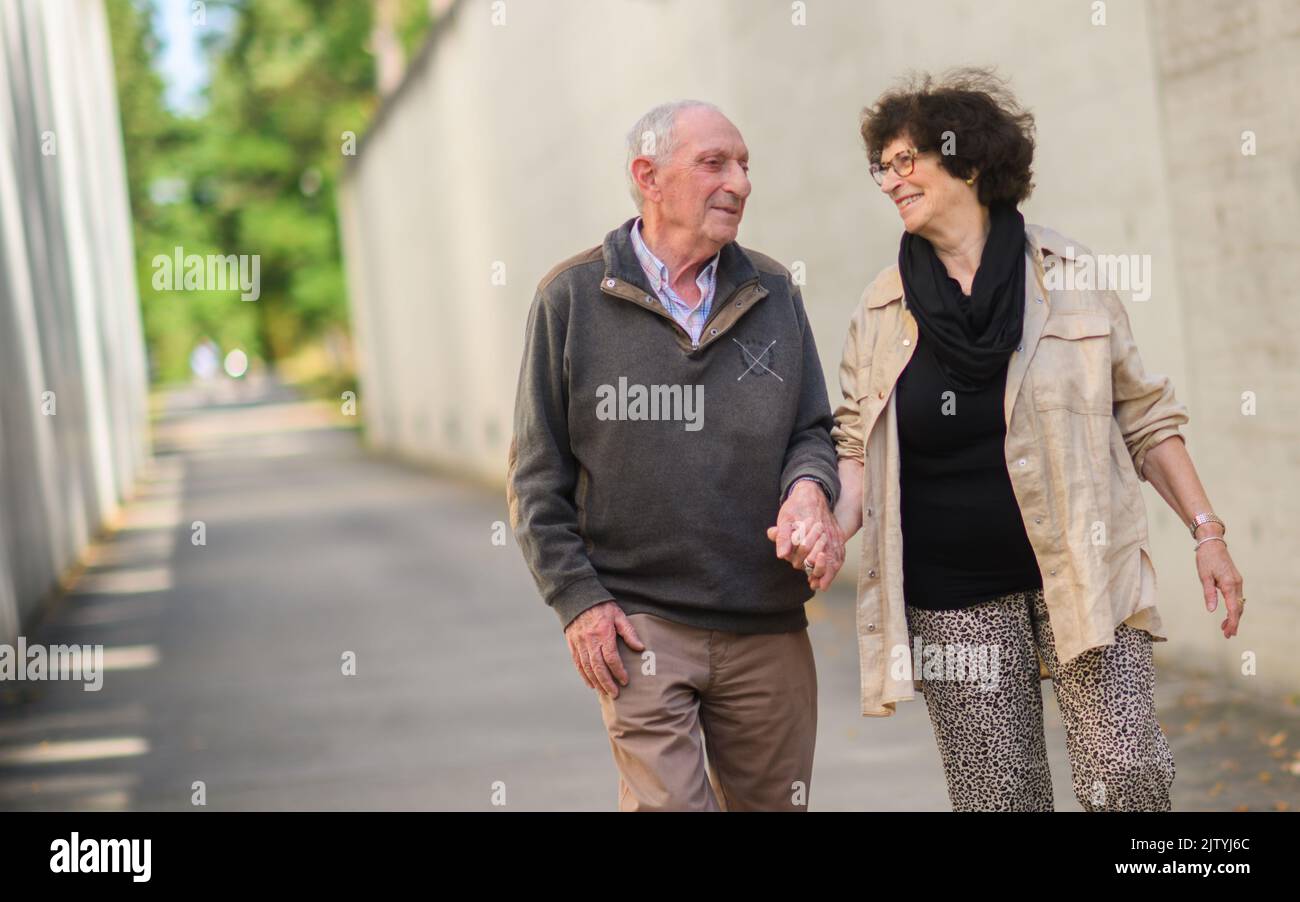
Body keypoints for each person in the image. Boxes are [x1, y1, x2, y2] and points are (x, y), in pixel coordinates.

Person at [810, 69, 1245, 811]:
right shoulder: (880, 310)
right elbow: (856, 448)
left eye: (906, 161)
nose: (889, 181)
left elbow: (1144, 417)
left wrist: (1207, 532)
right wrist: (827, 527)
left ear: (970, 163)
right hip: (953, 592)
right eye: (881, 167)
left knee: (1129, 773)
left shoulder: (1071, 278)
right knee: (998, 797)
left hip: (1084, 569)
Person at [507, 100, 843, 811]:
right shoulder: (569, 299)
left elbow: (812, 430)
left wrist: (810, 491)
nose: (741, 183)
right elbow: (537, 480)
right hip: (640, 621)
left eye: (745, 165)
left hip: (766, 619)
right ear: (648, 177)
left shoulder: (774, 290)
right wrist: (579, 602)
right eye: (715, 163)